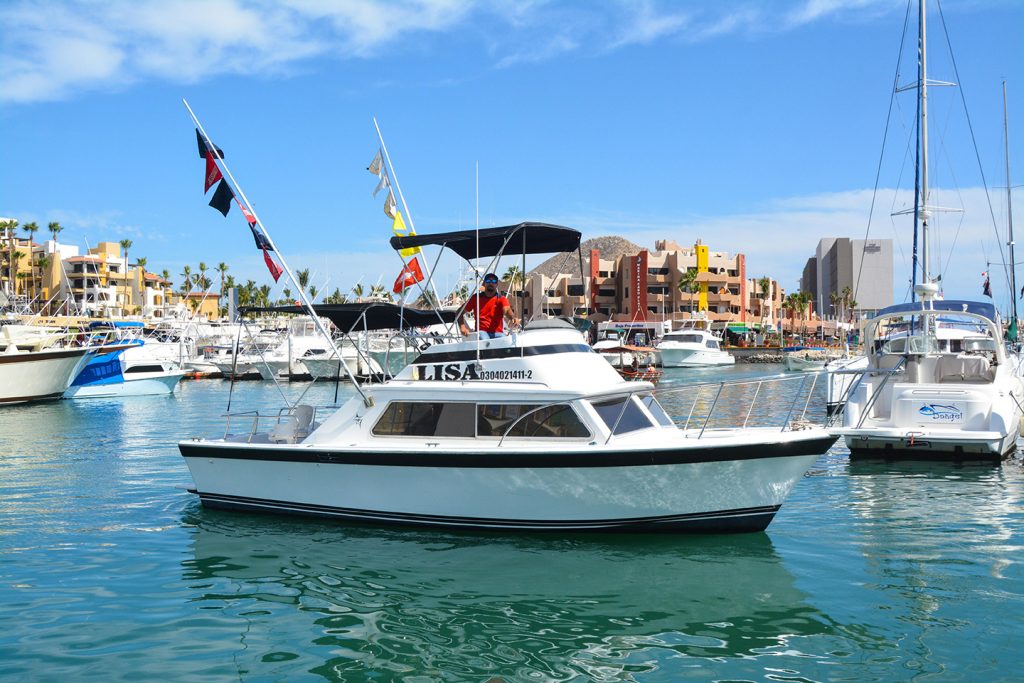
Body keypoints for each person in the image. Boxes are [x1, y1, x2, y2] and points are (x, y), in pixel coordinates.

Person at [459, 273, 518, 338]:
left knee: (505, 340)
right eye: (488, 281)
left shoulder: (501, 299)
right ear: (484, 283)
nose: (491, 283)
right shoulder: (476, 298)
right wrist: (462, 327)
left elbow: (507, 311)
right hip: (481, 332)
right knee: (484, 338)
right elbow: (459, 312)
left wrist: (513, 318)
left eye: (494, 281)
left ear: (497, 284)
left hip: (497, 333)